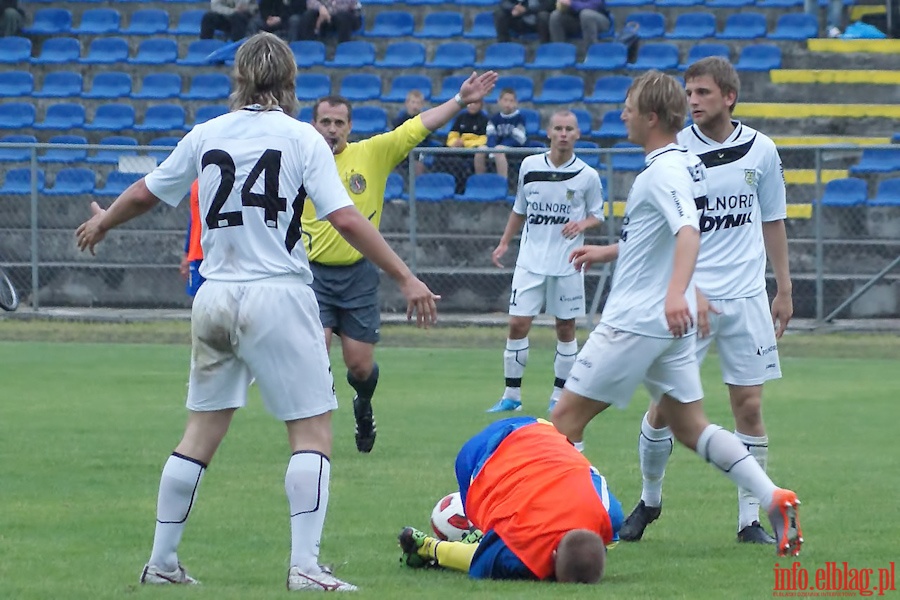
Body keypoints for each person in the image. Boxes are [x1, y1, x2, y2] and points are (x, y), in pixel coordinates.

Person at [74, 32, 439, 591]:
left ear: (238, 79)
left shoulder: (207, 134)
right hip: (278, 293)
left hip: (214, 294)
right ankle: (304, 567)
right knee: (313, 431)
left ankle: (162, 562)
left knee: (200, 432)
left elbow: (150, 191)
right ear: (290, 84)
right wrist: (405, 275)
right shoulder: (301, 138)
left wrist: (103, 222)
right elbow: (343, 217)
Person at [549, 70, 803, 558]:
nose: (620, 114)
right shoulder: (680, 166)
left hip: (638, 322)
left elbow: (689, 231)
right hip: (672, 324)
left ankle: (577, 528)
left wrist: (676, 292)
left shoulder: (663, 171)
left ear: (649, 117)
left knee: (562, 424)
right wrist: (676, 288)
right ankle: (774, 498)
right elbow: (665, 236)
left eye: (628, 106)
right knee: (692, 427)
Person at [617, 57, 794, 547]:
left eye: (702, 93)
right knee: (664, 409)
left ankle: (749, 520)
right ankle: (650, 501)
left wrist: (785, 288)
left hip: (747, 297)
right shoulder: (675, 155)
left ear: (729, 97)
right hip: (690, 300)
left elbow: (772, 220)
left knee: (750, 408)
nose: (692, 101)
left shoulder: (762, 150)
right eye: (689, 93)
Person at [301, 70, 499, 454]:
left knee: (359, 368)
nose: (331, 129)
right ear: (313, 124)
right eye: (324, 121)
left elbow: (418, 127)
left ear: (349, 127)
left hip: (358, 275)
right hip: (313, 276)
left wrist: (459, 101)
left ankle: (363, 405)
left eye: (338, 122)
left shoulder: (371, 153)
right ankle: (315, 436)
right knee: (314, 352)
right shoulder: (300, 161)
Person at [398, 416, 623, 583]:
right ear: (552, 557)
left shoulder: (610, 513)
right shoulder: (520, 555)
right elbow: (473, 559)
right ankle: (485, 534)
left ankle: (489, 533)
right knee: (489, 536)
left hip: (539, 430)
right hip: (476, 457)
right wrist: (430, 548)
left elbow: (588, 472)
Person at [487, 109, 604, 414]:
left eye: (569, 129)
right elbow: (519, 209)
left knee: (565, 328)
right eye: (558, 128)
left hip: (567, 263)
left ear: (577, 134)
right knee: (517, 323)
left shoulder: (587, 176)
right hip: (530, 260)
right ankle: (511, 394)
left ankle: (559, 395)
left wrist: (582, 225)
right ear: (549, 132)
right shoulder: (530, 166)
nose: (563, 134)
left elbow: (598, 215)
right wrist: (503, 242)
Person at [485, 87, 527, 181]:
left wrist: (501, 147)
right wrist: (492, 149)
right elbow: (491, 135)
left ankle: (502, 182)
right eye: (505, 100)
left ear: (516, 103)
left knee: (499, 151)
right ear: (498, 101)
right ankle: (480, 180)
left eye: (511, 101)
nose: (508, 104)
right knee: (480, 150)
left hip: (516, 149)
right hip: (496, 148)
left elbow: (519, 138)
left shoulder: (519, 118)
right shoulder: (494, 119)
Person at [392, 90, 436, 177]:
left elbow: (426, 141)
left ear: (422, 105)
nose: (415, 106)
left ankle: (416, 187)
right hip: (402, 152)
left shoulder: (425, 121)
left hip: (419, 152)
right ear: (407, 103)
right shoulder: (398, 122)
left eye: (418, 103)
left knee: (418, 163)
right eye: (413, 102)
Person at [446, 98, 490, 184]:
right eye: (470, 103)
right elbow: (452, 135)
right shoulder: (460, 117)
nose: (472, 105)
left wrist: (465, 144)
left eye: (475, 103)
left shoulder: (484, 119)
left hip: (473, 150)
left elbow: (484, 139)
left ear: (481, 105)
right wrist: (454, 143)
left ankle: (479, 182)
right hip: (458, 149)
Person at [178, 180, 205, 297]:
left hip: (220, 256)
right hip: (198, 255)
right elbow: (193, 220)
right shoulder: (196, 183)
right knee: (199, 303)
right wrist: (187, 254)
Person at [291, 0, 361, 43]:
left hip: (350, 18)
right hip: (326, 18)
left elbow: (345, 6)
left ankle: (343, 49)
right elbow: (310, 2)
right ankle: (308, 46)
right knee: (309, 14)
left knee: (342, 17)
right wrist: (321, 8)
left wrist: (327, 13)